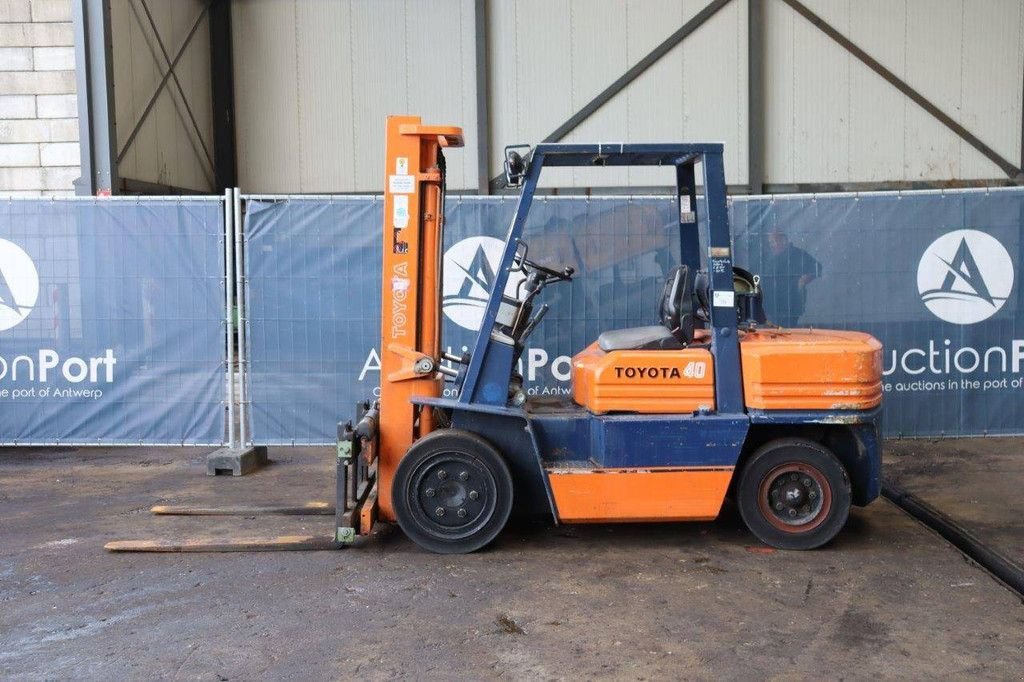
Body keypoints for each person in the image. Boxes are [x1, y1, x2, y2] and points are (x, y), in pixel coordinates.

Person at [760, 228, 821, 327]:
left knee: (788, 332)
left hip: (791, 303)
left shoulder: (798, 255)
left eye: (774, 241)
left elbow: (817, 268)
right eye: (770, 242)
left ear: (783, 241)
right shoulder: (767, 257)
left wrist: (804, 279)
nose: (772, 245)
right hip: (770, 303)